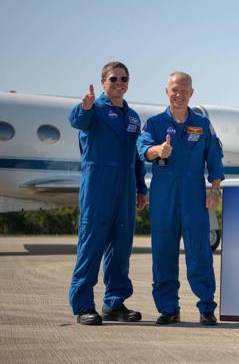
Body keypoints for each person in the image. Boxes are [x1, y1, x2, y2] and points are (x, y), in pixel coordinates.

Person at [137, 71, 224, 326]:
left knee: (199, 253)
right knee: (163, 253)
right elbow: (142, 150)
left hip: (194, 198)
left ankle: (206, 307)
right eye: (175, 89)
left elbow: (215, 159)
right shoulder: (154, 124)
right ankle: (168, 309)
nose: (179, 94)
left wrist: (215, 190)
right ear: (167, 92)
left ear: (191, 93)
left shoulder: (202, 124)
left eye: (184, 90)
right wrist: (157, 150)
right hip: (164, 199)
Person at [68, 62, 147, 326]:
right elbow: (76, 120)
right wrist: (85, 106)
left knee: (120, 246)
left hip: (125, 188)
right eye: (114, 78)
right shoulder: (94, 109)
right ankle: (82, 305)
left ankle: (114, 303)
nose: (119, 83)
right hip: (98, 187)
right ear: (103, 82)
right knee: (91, 244)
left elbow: (136, 156)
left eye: (124, 78)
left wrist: (140, 187)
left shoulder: (133, 117)